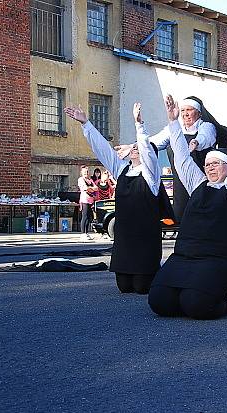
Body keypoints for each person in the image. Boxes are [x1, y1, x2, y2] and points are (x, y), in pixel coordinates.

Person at [148, 94, 227, 320]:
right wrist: (173, 122)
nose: (211, 167)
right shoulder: (198, 184)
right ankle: (189, 292)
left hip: (217, 260)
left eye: (216, 164)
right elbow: (182, 158)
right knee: (160, 302)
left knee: (197, 306)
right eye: (207, 164)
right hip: (185, 257)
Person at [65, 102, 168, 295]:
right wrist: (86, 124)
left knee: (142, 287)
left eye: (140, 147)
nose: (136, 148)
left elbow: (147, 151)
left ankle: (159, 270)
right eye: (134, 147)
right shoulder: (122, 169)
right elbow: (102, 149)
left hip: (145, 236)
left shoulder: (151, 175)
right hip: (126, 236)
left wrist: (139, 125)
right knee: (125, 287)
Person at [124, 96, 227, 223]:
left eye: (189, 110)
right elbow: (154, 142)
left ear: (199, 113)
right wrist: (133, 146)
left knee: (203, 212)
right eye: (183, 110)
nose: (185, 114)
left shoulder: (206, 126)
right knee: (182, 216)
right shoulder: (174, 128)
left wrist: (196, 142)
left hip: (199, 179)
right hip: (179, 181)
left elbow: (206, 137)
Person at [77, 165, 98, 240]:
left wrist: (91, 188)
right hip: (84, 200)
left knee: (89, 217)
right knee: (84, 216)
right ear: (81, 172)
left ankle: (86, 232)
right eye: (84, 172)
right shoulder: (81, 179)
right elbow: (85, 188)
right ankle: (83, 233)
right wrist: (91, 189)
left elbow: (96, 188)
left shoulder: (90, 180)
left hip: (91, 200)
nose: (86, 173)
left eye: (87, 171)